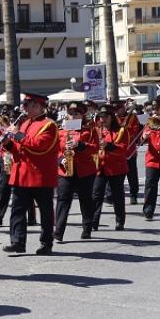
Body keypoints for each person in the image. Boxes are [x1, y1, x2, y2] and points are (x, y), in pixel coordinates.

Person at [0, 93, 59, 255]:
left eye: (28, 104)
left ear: (39, 106)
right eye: (24, 105)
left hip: (40, 176)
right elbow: (20, 150)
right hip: (22, 174)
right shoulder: (25, 124)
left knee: (45, 212)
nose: (24, 108)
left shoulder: (49, 125)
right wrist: (8, 143)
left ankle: (46, 243)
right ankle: (18, 241)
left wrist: (17, 135)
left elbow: (40, 146)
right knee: (17, 210)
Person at [54, 101, 99, 243]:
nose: (73, 116)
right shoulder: (60, 130)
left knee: (85, 199)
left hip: (84, 170)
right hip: (65, 169)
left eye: (76, 113)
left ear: (82, 115)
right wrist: (60, 159)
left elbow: (95, 148)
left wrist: (80, 145)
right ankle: (58, 231)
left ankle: (87, 227)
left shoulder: (89, 130)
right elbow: (54, 149)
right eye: (71, 113)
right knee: (63, 199)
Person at [92, 101, 131, 231]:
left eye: (105, 117)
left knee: (117, 196)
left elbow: (123, 149)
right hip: (100, 167)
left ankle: (120, 222)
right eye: (101, 117)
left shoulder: (120, 131)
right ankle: (93, 222)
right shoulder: (97, 130)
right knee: (96, 195)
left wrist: (109, 146)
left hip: (116, 168)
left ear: (111, 117)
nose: (102, 120)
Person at [122, 102, 143, 204]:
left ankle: (133, 195)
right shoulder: (113, 118)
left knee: (132, 174)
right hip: (116, 152)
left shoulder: (132, 117)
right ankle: (111, 195)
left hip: (129, 150)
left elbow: (135, 132)